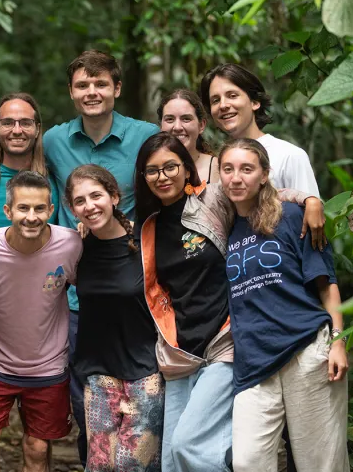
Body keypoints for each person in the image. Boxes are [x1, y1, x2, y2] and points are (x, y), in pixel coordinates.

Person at [133, 132, 321, 472]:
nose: (163, 176)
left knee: (190, 445)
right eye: (153, 170)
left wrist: (310, 200)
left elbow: (267, 194)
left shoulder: (212, 200)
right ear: (143, 177)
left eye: (171, 167)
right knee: (173, 462)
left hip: (224, 343)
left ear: (187, 168)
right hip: (181, 353)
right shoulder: (147, 227)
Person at [42, 49, 158, 463]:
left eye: (100, 83)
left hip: (132, 284)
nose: (92, 92)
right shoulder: (54, 140)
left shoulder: (145, 134)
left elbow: (180, 176)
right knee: (90, 411)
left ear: (117, 88)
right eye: (82, 85)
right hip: (81, 293)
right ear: (72, 93)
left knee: (142, 417)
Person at [219, 139, 348, 472]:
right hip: (254, 361)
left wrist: (338, 342)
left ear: (264, 175)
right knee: (247, 462)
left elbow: (326, 282)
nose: (236, 178)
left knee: (320, 464)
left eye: (247, 169)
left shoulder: (292, 216)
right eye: (228, 169)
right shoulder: (224, 228)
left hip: (305, 349)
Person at [0, 171, 82, 472]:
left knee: (37, 449)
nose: (31, 217)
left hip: (48, 365)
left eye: (39, 209)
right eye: (23, 208)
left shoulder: (71, 245)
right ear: (8, 211)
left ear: (51, 209)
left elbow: (93, 287)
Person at [66, 164, 162, 472]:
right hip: (97, 374)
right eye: (80, 200)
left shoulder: (147, 241)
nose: (89, 206)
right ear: (72, 208)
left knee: (134, 465)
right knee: (99, 466)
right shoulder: (76, 247)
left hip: (144, 373)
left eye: (96, 195)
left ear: (114, 197)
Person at [200, 63, 320, 197]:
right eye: (215, 100)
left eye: (232, 95)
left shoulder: (289, 156)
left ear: (255, 102)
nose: (223, 105)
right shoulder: (217, 164)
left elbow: (311, 214)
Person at [0, 93, 58, 231]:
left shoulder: (55, 180)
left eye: (25, 123)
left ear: (37, 130)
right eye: (7, 123)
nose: (17, 130)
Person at [158, 88, 219, 183]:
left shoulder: (218, 168)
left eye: (186, 119)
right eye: (170, 119)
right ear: (161, 126)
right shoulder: (152, 168)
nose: (177, 127)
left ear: (201, 125)